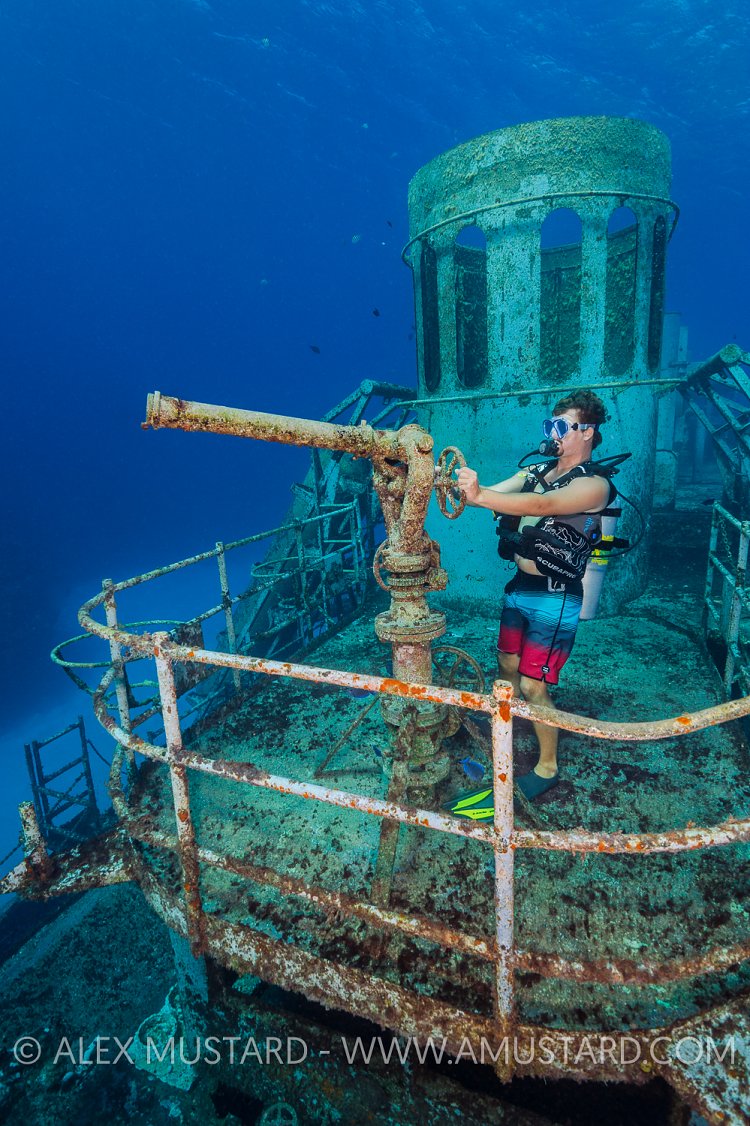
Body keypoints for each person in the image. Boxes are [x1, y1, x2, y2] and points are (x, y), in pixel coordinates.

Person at [455, 389, 611, 802]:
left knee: (532, 685)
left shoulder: (596, 486)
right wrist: (456, 484)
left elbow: (544, 506)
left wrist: (480, 495)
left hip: (556, 598)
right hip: (520, 588)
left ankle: (547, 767)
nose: (553, 434)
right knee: (505, 666)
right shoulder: (539, 470)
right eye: (550, 426)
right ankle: (503, 726)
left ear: (587, 432)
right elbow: (492, 491)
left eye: (561, 427)